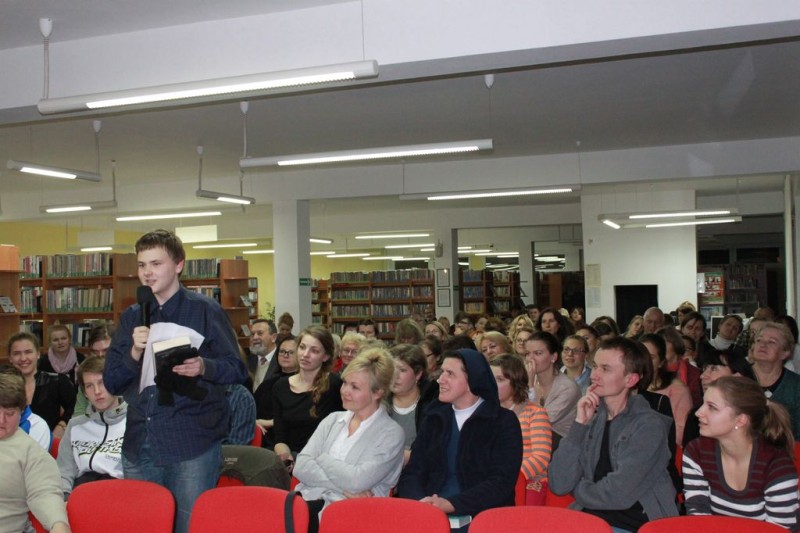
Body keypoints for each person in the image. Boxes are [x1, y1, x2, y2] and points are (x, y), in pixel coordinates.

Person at [103, 229, 248, 533]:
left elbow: (237, 369)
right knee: (143, 527)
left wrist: (203, 366)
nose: (147, 273)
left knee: (188, 527)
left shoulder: (205, 311)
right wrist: (134, 351)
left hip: (190, 443)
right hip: (139, 442)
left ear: (179, 265)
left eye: (156, 264)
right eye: (142, 265)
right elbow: (112, 382)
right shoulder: (132, 316)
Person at [549, 337, 678, 531]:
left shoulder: (649, 426)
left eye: (605, 369)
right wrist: (579, 425)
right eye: (595, 366)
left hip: (634, 524)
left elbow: (618, 493)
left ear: (631, 379)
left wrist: (578, 490)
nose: (594, 375)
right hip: (589, 520)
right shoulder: (591, 419)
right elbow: (559, 484)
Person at [397, 349, 522, 523]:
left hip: (483, 517)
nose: (440, 380)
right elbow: (413, 472)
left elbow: (501, 483)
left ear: (472, 381)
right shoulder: (434, 418)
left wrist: (450, 504)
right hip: (428, 513)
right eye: (442, 372)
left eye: (450, 374)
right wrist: (421, 502)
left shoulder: (502, 422)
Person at [294, 348, 405, 532]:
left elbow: (357, 480)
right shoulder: (332, 420)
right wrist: (344, 488)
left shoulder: (391, 434)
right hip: (310, 503)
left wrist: (322, 458)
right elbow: (301, 466)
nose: (345, 391)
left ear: (378, 393)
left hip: (356, 516)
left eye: (355, 387)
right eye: (345, 382)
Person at [683, 376, 799, 529]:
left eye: (712, 407)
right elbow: (697, 514)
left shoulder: (776, 466)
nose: (698, 412)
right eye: (703, 403)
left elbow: (779, 530)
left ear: (740, 420)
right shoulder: (697, 452)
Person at [0, 370, 71, 533]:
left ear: (21, 412)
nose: (1, 420)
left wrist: (58, 524)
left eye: (9, 414)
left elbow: (45, 493)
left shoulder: (31, 452)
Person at [272, 326, 344, 468]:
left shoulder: (335, 386)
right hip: (292, 457)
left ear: (325, 356)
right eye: (302, 347)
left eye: (314, 351)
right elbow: (280, 437)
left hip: (324, 460)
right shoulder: (280, 386)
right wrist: (286, 458)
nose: (305, 354)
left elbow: (341, 435)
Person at [58, 356, 126, 497]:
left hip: (120, 494)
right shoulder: (75, 426)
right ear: (84, 393)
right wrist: (64, 499)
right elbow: (63, 472)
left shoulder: (134, 422)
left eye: (102, 383)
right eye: (89, 386)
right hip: (82, 493)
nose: (97, 391)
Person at [489, 354, 552, 505]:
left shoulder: (535, 413)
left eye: (499, 379)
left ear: (515, 382)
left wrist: (511, 476)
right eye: (490, 379)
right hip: (494, 480)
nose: (492, 384)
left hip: (528, 479)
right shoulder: (487, 414)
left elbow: (541, 457)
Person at [8, 332, 76, 439]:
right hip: (11, 444)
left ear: (38, 354)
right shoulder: (4, 385)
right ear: (10, 358)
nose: (23, 358)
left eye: (28, 352)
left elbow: (74, 407)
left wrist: (62, 424)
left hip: (49, 443)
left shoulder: (57, 381)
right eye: (16, 353)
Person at [525, 331, 580, 446]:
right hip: (535, 440)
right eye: (528, 353)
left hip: (562, 445)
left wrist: (530, 386)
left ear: (553, 357)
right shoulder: (528, 380)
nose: (531, 359)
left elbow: (539, 423)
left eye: (538, 353)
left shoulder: (567, 388)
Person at [388, 344, 438, 465]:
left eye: (402, 370)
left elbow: (434, 451)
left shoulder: (432, 405)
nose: (395, 375)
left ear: (418, 374)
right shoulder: (378, 402)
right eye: (391, 369)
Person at [750, 322, 800, 439]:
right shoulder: (737, 378)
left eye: (771, 342)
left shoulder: (796, 385)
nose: (763, 345)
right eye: (759, 340)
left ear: (785, 353)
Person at [641, 333, 692, 445]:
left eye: (651, 357)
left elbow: (681, 433)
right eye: (641, 356)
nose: (645, 362)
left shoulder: (677, 389)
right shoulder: (629, 386)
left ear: (661, 362)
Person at [254, 335, 298, 448]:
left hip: (291, 439)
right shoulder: (268, 383)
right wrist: (255, 422)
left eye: (291, 352)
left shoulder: (304, 383)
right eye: (282, 351)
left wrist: (270, 422)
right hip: (263, 436)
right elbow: (253, 408)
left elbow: (297, 416)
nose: (285, 355)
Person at [249, 319, 278, 392]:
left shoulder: (282, 360)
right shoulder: (248, 360)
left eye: (260, 333)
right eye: (252, 334)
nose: (255, 337)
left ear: (273, 337)